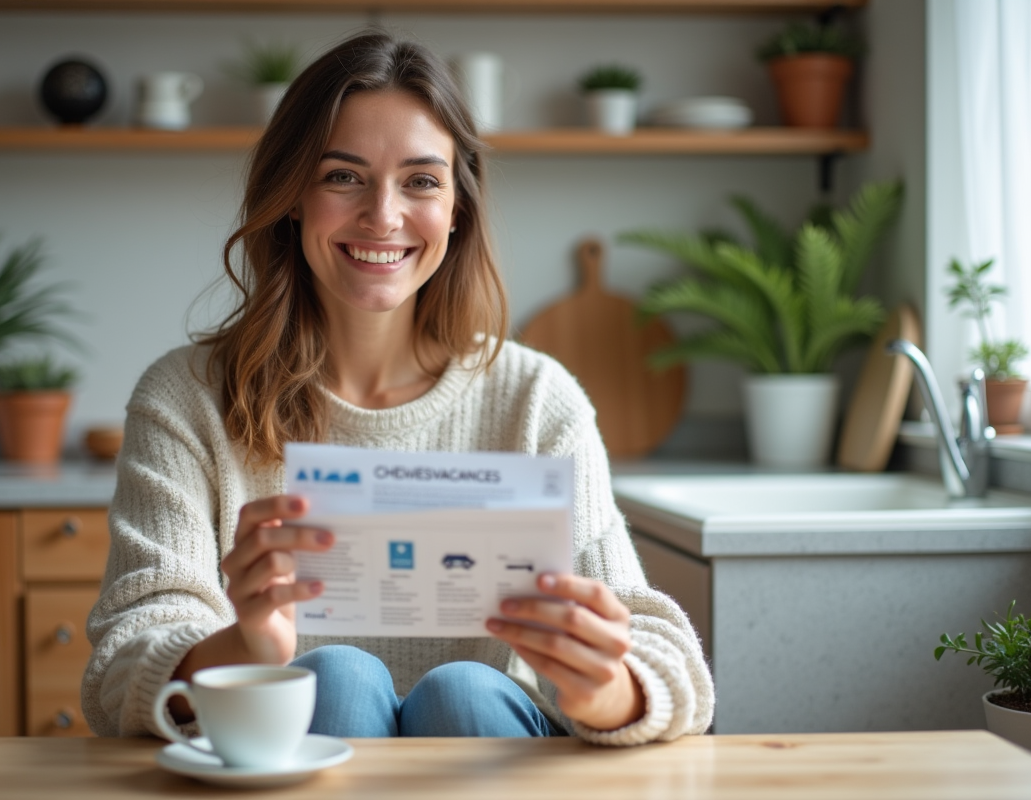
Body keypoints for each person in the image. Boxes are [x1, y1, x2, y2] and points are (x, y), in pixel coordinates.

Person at [82, 29, 714, 745]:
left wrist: (603, 686)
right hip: (283, 758)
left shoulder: (537, 400)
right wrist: (245, 647)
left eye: (421, 181)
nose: (383, 216)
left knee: (463, 689)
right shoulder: (186, 398)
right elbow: (119, 670)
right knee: (338, 676)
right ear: (291, 196)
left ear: (458, 207)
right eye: (342, 176)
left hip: (489, 750)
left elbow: (664, 657)